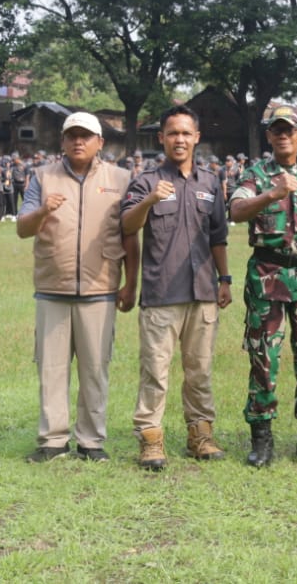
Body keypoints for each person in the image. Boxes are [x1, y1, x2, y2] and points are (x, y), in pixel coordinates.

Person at [16, 111, 137, 463]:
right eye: (72, 135)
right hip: (53, 287)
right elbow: (23, 228)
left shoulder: (121, 179)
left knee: (95, 368)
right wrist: (43, 211)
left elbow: (130, 234)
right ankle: (53, 440)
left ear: (100, 142)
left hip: (101, 287)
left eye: (85, 136)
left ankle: (90, 440)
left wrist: (131, 283)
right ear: (62, 141)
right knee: (51, 368)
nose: (78, 141)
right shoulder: (43, 177)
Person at [120, 105, 233, 470]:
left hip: (203, 292)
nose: (179, 139)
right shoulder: (146, 182)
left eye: (186, 133)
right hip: (161, 293)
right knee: (155, 371)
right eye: (172, 133)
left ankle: (200, 435)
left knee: (199, 370)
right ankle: (150, 439)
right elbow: (127, 225)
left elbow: (218, 237)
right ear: (161, 138)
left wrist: (225, 279)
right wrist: (151, 200)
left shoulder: (210, 183)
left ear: (196, 137)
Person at [229, 105, 297, 468]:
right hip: (268, 279)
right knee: (264, 359)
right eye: (276, 130)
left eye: (289, 130)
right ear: (269, 136)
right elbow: (236, 211)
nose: (282, 135)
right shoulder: (255, 176)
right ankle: (262, 439)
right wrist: (271, 195)